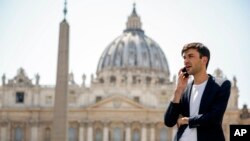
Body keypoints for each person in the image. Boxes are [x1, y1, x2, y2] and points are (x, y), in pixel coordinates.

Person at [164, 42, 231, 141]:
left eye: (190, 56)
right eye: (184, 57)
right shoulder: (184, 89)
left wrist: (187, 120)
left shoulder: (221, 85)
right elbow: (169, 121)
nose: (186, 61)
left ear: (204, 60)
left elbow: (214, 118)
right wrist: (178, 90)